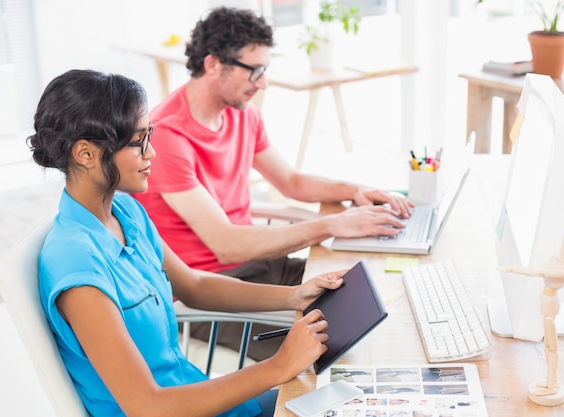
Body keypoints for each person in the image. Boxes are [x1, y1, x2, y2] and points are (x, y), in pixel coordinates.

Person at [30, 68, 346, 417]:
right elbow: (147, 406)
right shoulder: (76, 264)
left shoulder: (124, 210)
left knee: (353, 397)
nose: (151, 154)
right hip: (176, 408)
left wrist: (292, 296)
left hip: (201, 397)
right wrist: (279, 366)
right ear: (85, 154)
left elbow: (194, 285)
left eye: (148, 135)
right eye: (138, 142)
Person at [132, 6, 414, 359]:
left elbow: (291, 182)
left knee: (367, 295)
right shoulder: (169, 137)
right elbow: (227, 246)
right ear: (213, 64)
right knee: (336, 346)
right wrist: (332, 223)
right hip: (211, 292)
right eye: (255, 71)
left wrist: (353, 191)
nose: (262, 82)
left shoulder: (242, 114)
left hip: (262, 267)